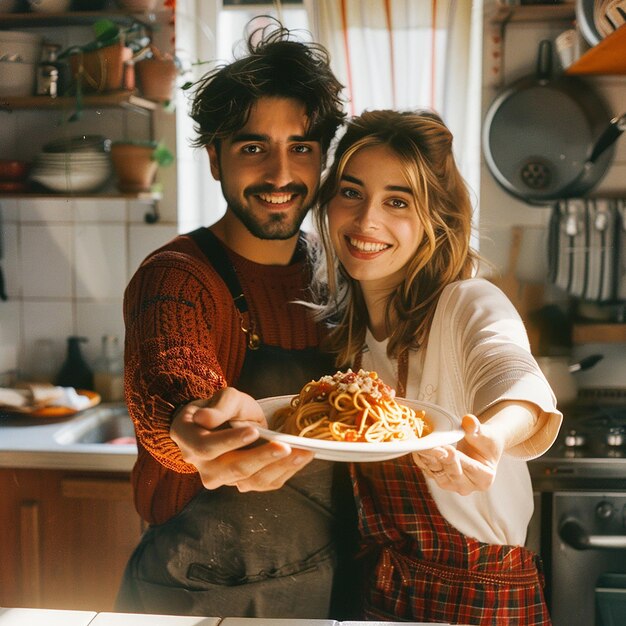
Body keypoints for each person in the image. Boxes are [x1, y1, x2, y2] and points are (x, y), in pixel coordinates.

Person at [115, 19, 359, 619]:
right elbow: (169, 375)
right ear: (215, 161)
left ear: (322, 159)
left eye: (300, 147)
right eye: (253, 148)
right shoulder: (177, 275)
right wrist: (191, 427)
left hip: (320, 586)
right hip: (193, 592)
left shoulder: (340, 275)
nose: (279, 175)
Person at [310, 109, 563, 624]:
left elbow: (515, 377)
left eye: (397, 202)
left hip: (483, 600)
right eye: (351, 192)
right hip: (384, 593)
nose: (366, 221)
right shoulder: (348, 334)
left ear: (436, 219)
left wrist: (489, 439)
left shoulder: (468, 303)